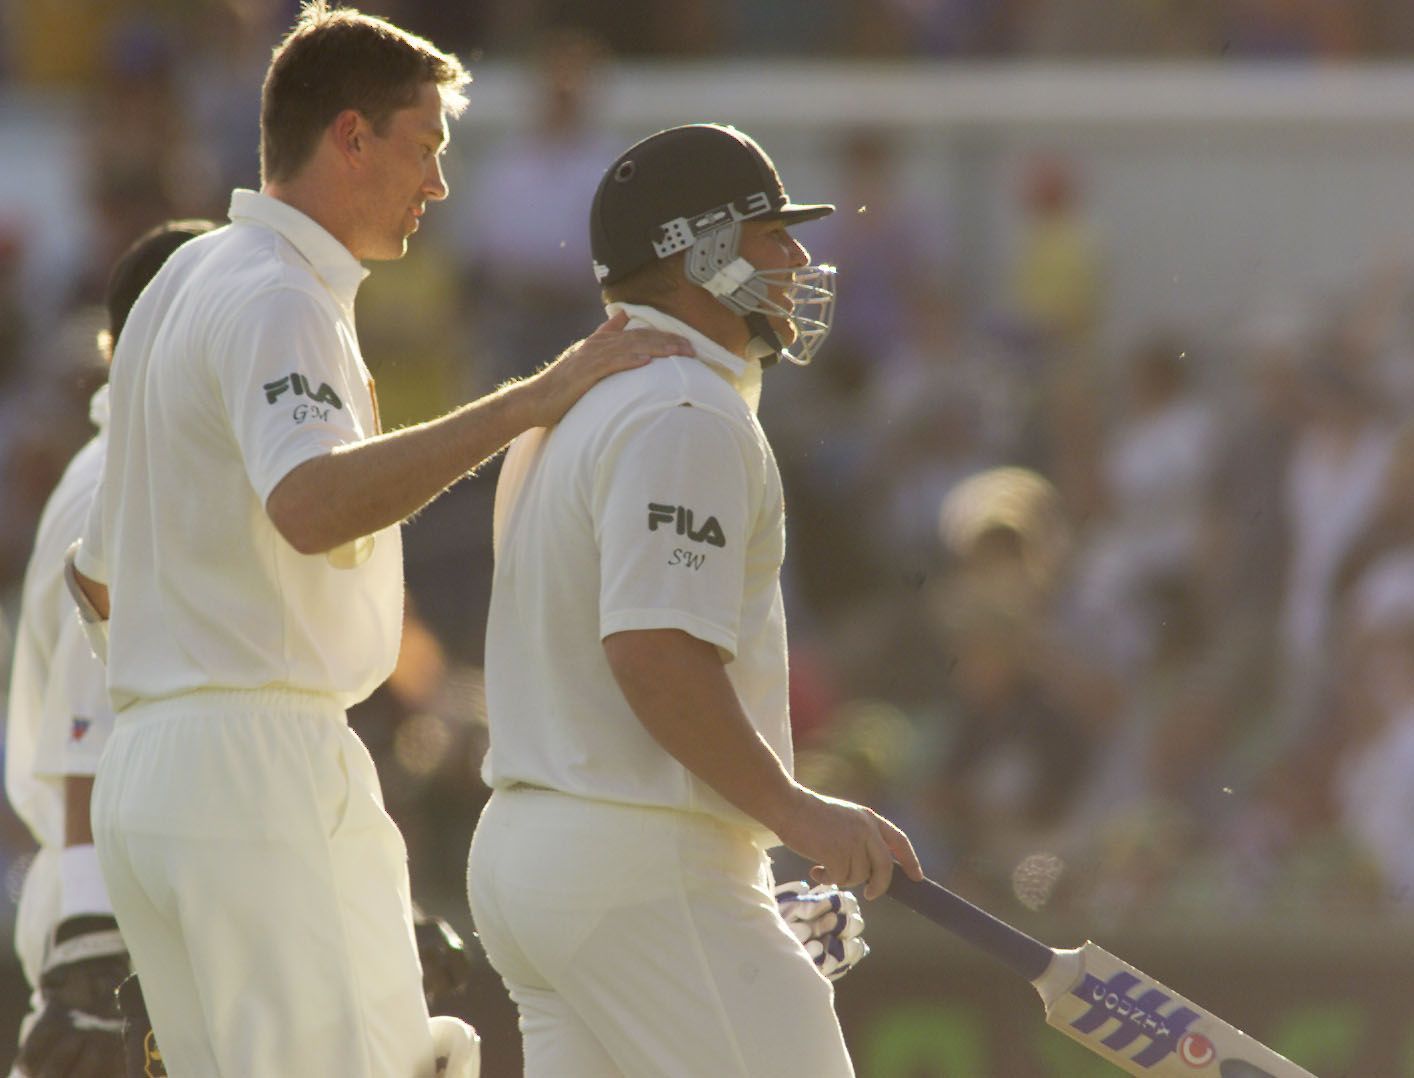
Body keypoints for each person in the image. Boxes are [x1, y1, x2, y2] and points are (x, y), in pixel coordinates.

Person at [67, 5, 689, 1077]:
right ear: (350, 136)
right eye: (425, 145)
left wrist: (192, 681)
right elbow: (308, 505)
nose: (437, 183)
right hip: (255, 766)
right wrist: (530, 402)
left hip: (156, 771)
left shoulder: (180, 282)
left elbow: (95, 578)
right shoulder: (277, 293)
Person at [466, 122, 924, 1076]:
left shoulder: (580, 404)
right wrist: (795, 817)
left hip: (538, 858)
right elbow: (656, 654)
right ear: (699, 250)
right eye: (771, 233)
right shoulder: (685, 407)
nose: (798, 258)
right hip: (638, 862)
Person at [5, 220, 213, 1078]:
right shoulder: (119, 479)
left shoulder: (145, 464)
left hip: (144, 890)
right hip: (114, 910)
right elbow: (89, 728)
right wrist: (89, 949)